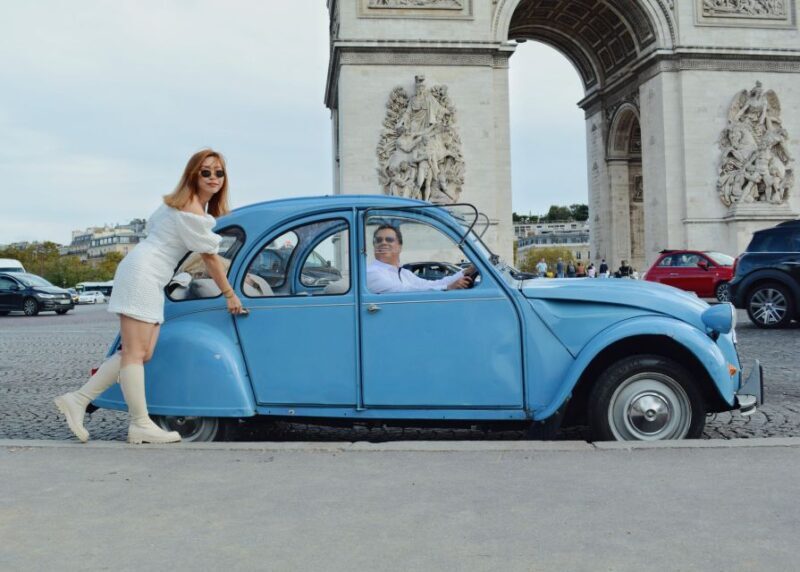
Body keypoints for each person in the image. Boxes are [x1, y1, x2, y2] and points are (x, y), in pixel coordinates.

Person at [54, 149, 244, 445]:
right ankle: (139, 423)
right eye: (205, 172)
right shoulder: (191, 210)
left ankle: (78, 400)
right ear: (193, 175)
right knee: (134, 353)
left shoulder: (184, 206)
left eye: (218, 172)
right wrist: (230, 295)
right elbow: (210, 258)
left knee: (142, 352)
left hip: (151, 275)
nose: (213, 177)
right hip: (143, 273)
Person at [366, 225, 474, 293]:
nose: (383, 243)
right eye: (378, 240)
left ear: (399, 247)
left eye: (389, 239)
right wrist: (447, 287)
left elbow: (429, 284)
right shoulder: (371, 272)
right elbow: (403, 291)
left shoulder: (404, 273)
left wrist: (466, 272)